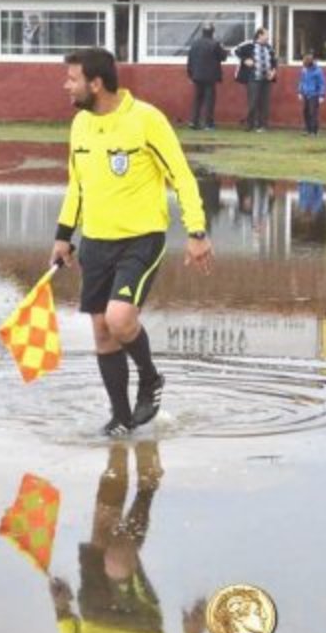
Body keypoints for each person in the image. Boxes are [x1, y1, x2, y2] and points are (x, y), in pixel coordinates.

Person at [50, 48, 215, 436]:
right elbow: (77, 184)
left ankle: (151, 378)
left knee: (120, 319)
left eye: (72, 79)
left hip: (141, 240)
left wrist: (196, 232)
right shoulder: (81, 126)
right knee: (102, 332)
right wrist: (63, 236)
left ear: (96, 83)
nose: (66, 86)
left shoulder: (146, 120)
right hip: (95, 241)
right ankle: (121, 419)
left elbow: (182, 176)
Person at [49, 442, 206, 633]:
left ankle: (118, 449)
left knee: (102, 528)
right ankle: (147, 487)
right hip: (140, 626)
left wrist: (62, 612)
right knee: (117, 560)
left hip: (93, 616)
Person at [234, 27, 277, 132]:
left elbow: (274, 61)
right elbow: (235, 50)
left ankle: (263, 125)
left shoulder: (269, 47)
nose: (268, 37)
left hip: (266, 79)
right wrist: (245, 60)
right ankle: (250, 125)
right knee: (253, 102)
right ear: (260, 35)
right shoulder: (249, 45)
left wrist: (273, 72)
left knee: (264, 103)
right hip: (253, 78)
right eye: (266, 34)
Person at [186, 23, 227, 130]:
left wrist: (190, 74)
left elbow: (190, 60)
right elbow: (223, 57)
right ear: (213, 32)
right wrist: (222, 48)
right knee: (209, 100)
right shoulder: (215, 44)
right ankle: (208, 123)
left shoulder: (195, 44)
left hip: (197, 75)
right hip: (210, 76)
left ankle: (194, 122)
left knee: (197, 99)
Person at [297, 51, 326, 136]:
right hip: (305, 93)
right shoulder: (304, 70)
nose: (305, 67)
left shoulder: (318, 71)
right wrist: (299, 92)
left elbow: (322, 83)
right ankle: (307, 129)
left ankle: (314, 131)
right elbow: (301, 81)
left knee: (313, 113)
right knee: (305, 111)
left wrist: (322, 95)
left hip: (314, 94)